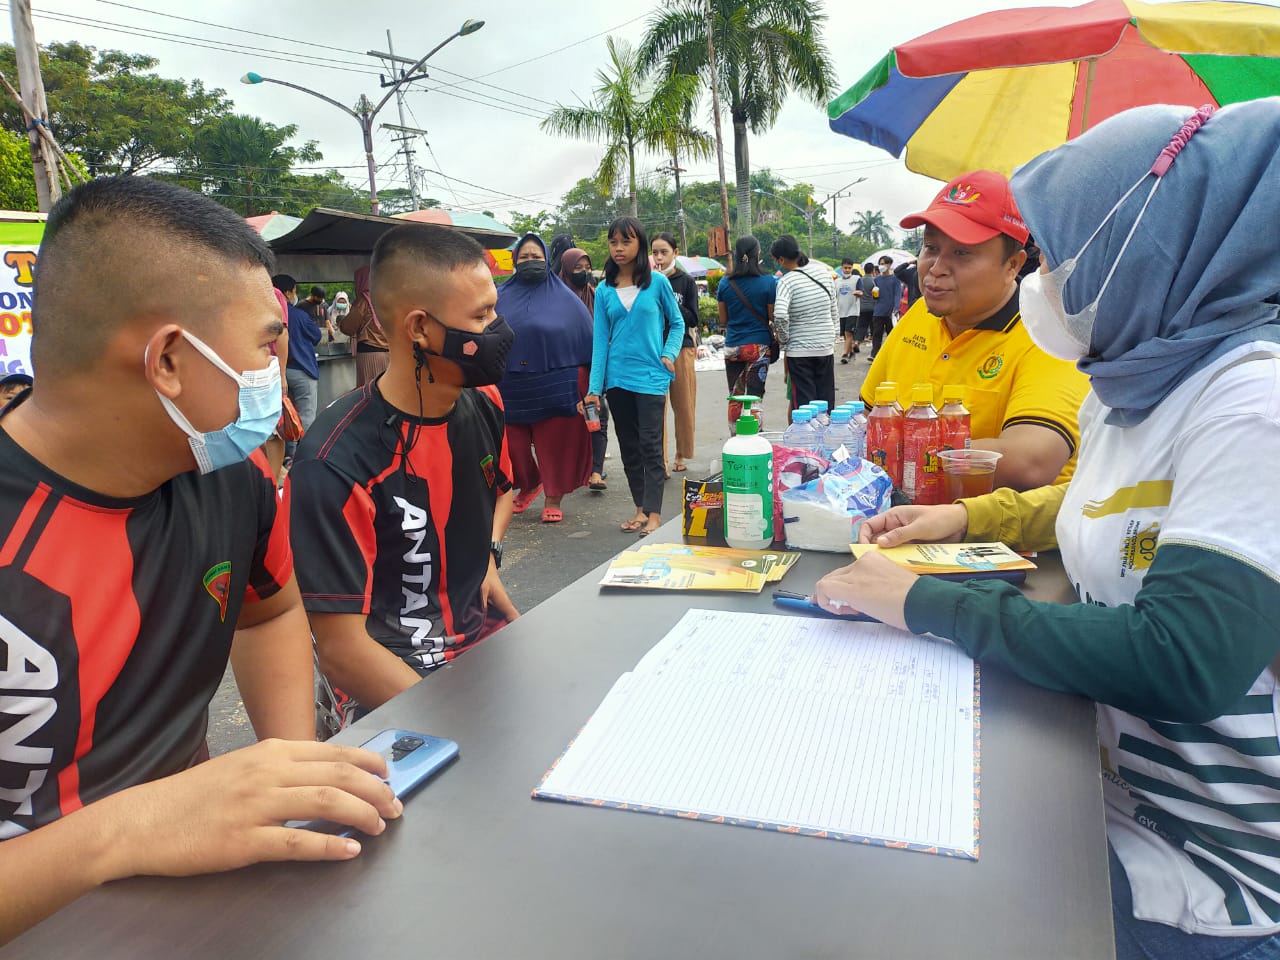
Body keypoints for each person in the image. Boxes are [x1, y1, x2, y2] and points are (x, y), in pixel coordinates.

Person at [818, 100, 1280, 960]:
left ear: (1152, 249)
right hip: (1102, 796)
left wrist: (925, 603)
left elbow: (1184, 658)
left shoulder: (1253, 402)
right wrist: (960, 514)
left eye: (1068, 255)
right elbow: (1083, 502)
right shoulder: (1138, 378)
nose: (1049, 282)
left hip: (1214, 875)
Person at [0, 176, 403, 942]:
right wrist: (133, 829)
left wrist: (292, 772)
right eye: (264, 345)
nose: (276, 377)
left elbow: (270, 608)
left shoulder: (234, 483)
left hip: (204, 914)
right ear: (170, 362)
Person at [287, 223, 520, 713]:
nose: (500, 328)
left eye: (494, 308)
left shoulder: (484, 406)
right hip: (390, 692)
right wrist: (454, 722)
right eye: (482, 316)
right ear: (419, 328)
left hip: (478, 656)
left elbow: (499, 490)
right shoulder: (335, 460)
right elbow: (342, 651)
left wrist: (487, 564)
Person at [860, 169, 1089, 490]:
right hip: (904, 519)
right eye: (930, 248)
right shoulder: (918, 317)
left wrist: (917, 449)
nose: (936, 269)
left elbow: (1031, 461)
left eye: (962, 253)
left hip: (1000, 533)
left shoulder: (1045, 335)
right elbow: (867, 419)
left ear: (1012, 264)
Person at [582, 216, 683, 537]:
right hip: (617, 380)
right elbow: (600, 341)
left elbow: (678, 323)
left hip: (652, 377)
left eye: (626, 242)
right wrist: (594, 389)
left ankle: (654, 514)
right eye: (613, 242)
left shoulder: (658, 283)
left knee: (651, 446)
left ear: (639, 244)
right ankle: (640, 509)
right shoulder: (604, 292)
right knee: (629, 447)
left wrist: (668, 354)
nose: (619, 249)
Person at [497, 233, 593, 523]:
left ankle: (553, 497)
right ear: (515, 261)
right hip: (510, 382)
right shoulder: (498, 295)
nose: (530, 262)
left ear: (547, 260)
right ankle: (529, 483)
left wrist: (588, 387)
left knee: (554, 443)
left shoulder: (565, 297)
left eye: (536, 257)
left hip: (555, 381)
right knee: (511, 443)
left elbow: (586, 338)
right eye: (524, 258)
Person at [559, 247, 609, 492]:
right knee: (567, 424)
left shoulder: (595, 295)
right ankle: (571, 470)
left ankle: (596, 471)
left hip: (592, 369)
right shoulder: (556, 298)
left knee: (597, 415)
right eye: (578, 268)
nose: (584, 273)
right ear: (567, 269)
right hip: (563, 371)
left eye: (587, 268)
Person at [770, 234, 838, 411]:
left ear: (781, 259)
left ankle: (809, 438)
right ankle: (826, 436)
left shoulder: (786, 281)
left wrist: (784, 340)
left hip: (799, 353)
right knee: (826, 402)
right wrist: (832, 338)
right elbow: (834, 310)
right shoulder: (824, 275)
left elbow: (780, 315)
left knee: (805, 405)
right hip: (825, 348)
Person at [716, 235, 777, 427]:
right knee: (753, 397)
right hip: (757, 346)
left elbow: (723, 319)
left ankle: (736, 440)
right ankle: (754, 440)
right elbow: (771, 316)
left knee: (735, 396)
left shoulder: (725, 283)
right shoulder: (768, 281)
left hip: (733, 346)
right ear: (757, 254)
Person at [651, 232, 699, 472]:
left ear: (675, 253)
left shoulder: (685, 281)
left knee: (683, 405)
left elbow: (693, 317)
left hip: (681, 348)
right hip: (654, 349)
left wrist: (669, 297)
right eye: (655, 252)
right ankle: (662, 460)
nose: (659, 257)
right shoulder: (646, 281)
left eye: (664, 252)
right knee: (655, 407)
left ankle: (681, 455)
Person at [272, 273, 320, 457]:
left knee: (284, 417)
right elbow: (316, 336)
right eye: (293, 291)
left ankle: (287, 455)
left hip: (278, 373)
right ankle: (305, 456)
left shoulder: (266, 315)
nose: (294, 295)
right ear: (287, 292)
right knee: (306, 415)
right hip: (302, 371)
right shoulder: (300, 315)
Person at [338, 266, 389, 387]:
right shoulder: (387, 298)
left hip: (369, 355)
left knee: (369, 392)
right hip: (389, 354)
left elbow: (348, 327)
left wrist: (341, 322)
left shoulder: (363, 301)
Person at [868, 258, 902, 361]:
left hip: (890, 311)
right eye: (880, 264)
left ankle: (892, 353)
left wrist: (896, 307)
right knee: (876, 333)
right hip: (878, 310)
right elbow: (875, 297)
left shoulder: (895, 279)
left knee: (891, 334)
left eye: (883, 264)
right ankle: (874, 354)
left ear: (889, 264)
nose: (881, 266)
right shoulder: (876, 280)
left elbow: (897, 293)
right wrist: (874, 294)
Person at [836, 258, 862, 363]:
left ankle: (844, 354)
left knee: (848, 333)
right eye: (845, 268)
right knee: (845, 335)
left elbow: (862, 292)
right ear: (841, 268)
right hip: (841, 311)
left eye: (849, 268)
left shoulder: (857, 279)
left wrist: (858, 293)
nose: (847, 270)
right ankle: (851, 352)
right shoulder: (837, 281)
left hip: (853, 310)